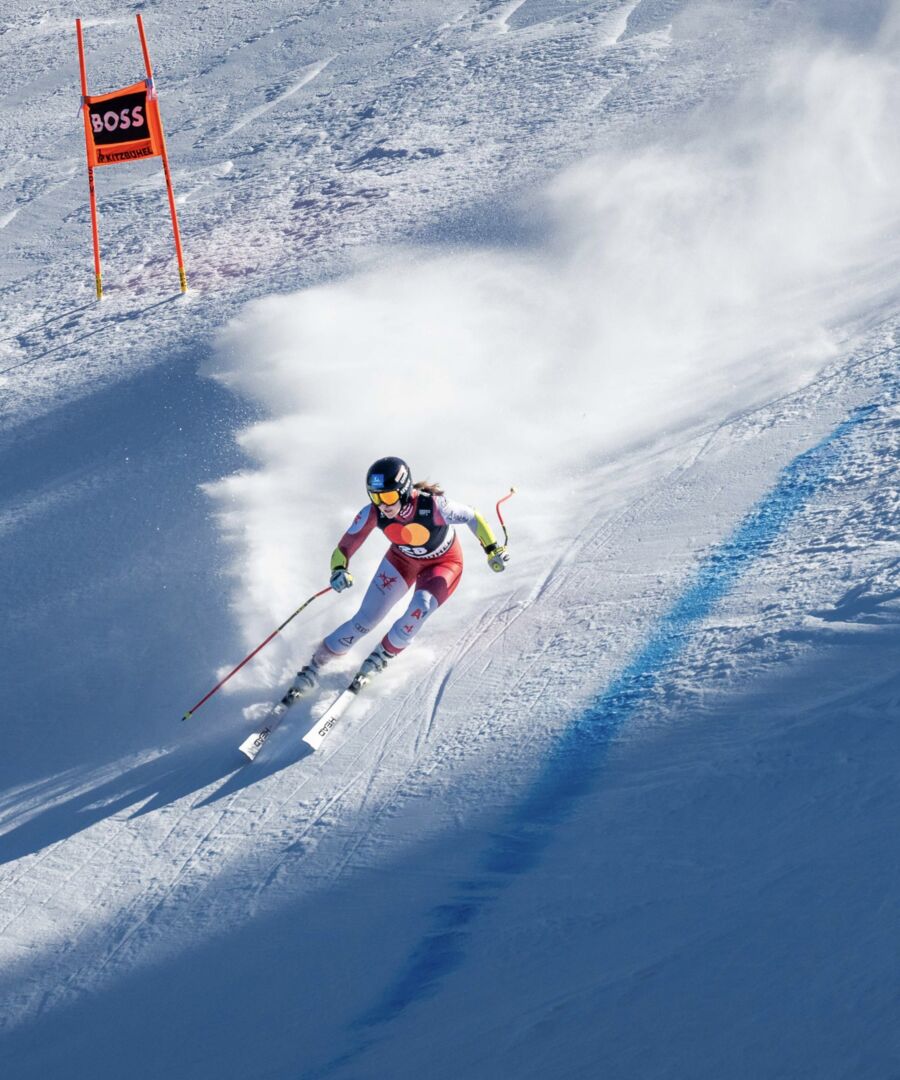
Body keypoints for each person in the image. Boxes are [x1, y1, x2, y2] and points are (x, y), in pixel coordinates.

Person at [292, 456, 509, 693]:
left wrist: (492, 550)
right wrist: (338, 570)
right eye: (375, 497)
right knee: (366, 619)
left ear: (404, 490)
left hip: (443, 564)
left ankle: (378, 659)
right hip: (401, 562)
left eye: (387, 496)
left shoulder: (433, 507)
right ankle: (315, 665)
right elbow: (345, 546)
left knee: (420, 606)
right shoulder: (373, 513)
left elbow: (472, 516)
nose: (382, 504)